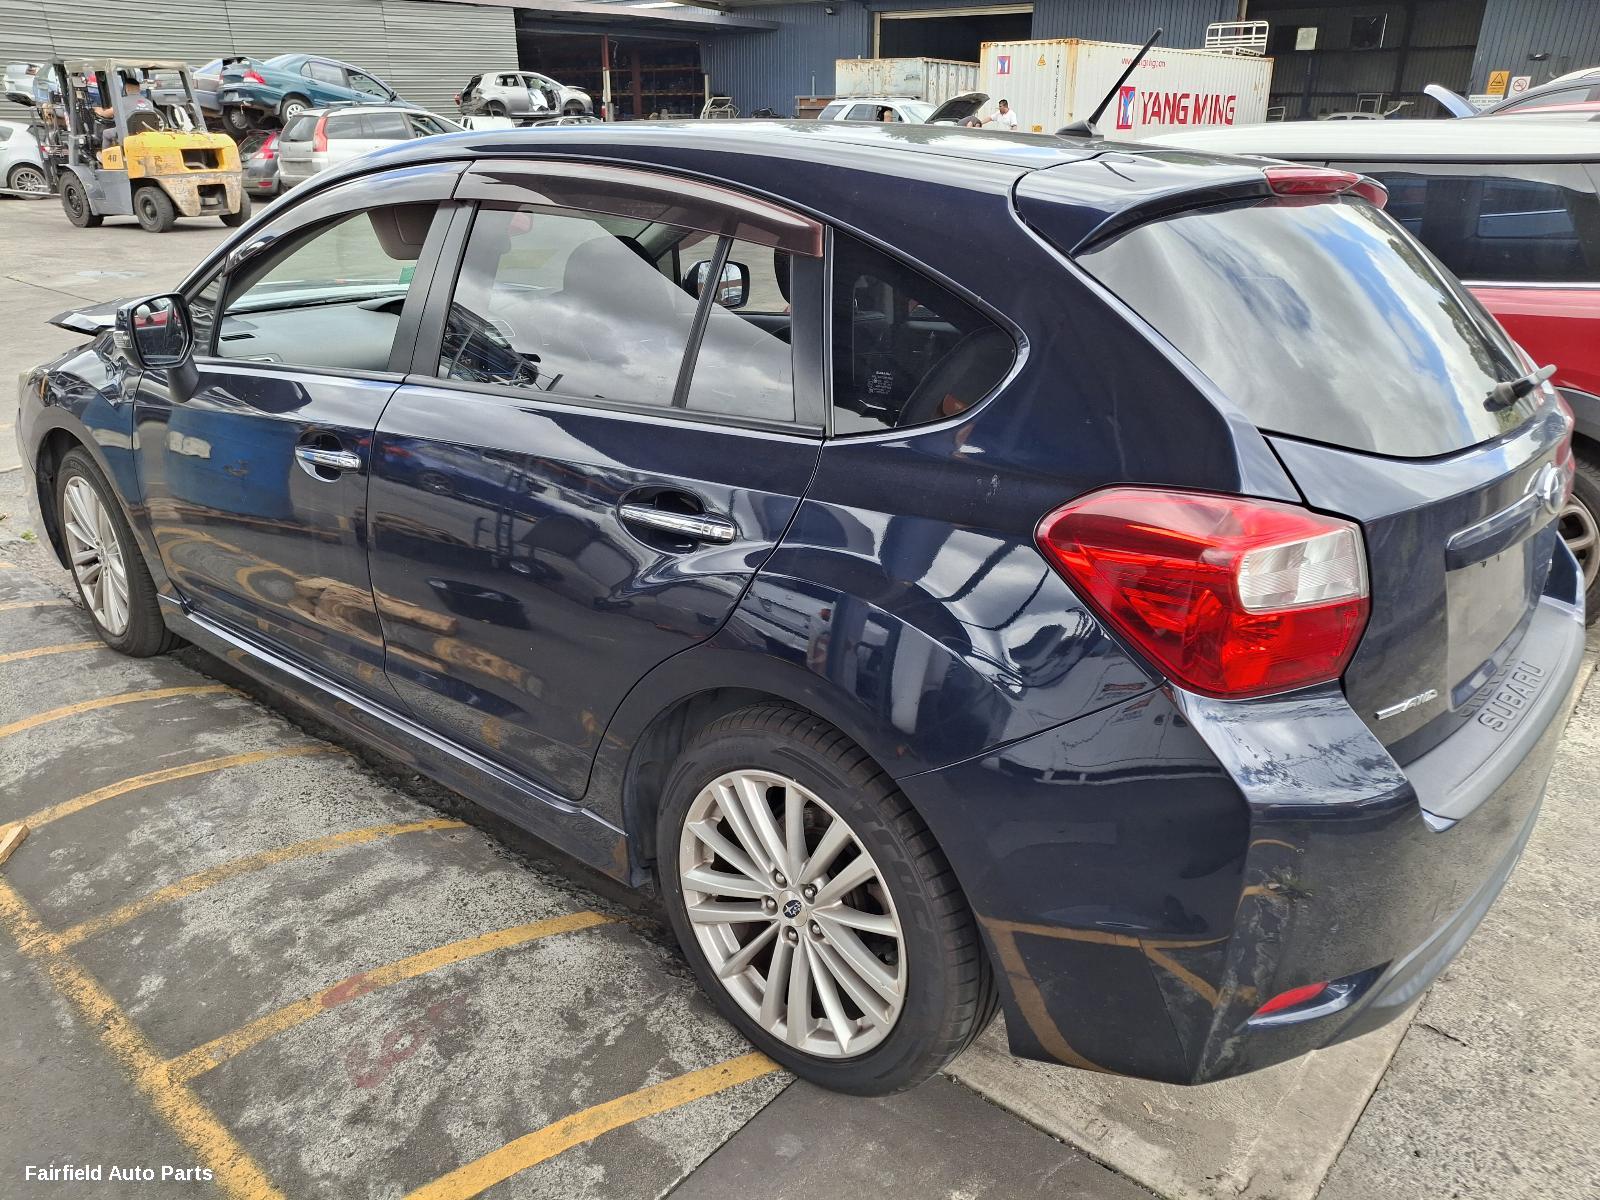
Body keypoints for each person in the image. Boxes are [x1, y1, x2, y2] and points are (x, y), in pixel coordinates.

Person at [96, 76, 155, 149]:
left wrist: (98, 110)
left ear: (127, 89)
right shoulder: (149, 102)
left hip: (129, 132)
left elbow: (107, 114)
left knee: (106, 133)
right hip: (146, 133)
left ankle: (105, 157)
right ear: (139, 89)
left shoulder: (122, 101)